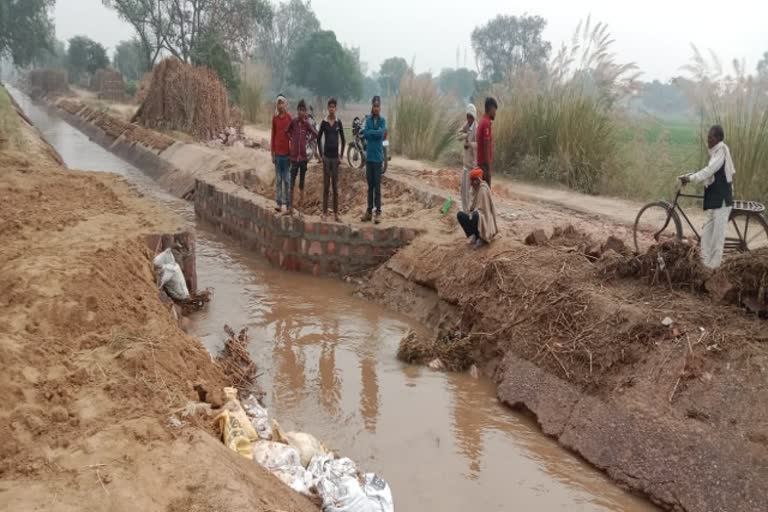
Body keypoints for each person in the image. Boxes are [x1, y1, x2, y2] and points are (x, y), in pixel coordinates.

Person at [680, 125, 736, 269]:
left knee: (717, 238)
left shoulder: (721, 151)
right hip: (714, 200)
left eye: (710, 137)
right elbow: (709, 171)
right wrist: (692, 175)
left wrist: (691, 178)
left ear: (717, 139)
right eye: (708, 137)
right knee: (707, 235)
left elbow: (710, 170)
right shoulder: (715, 152)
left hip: (722, 201)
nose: (708, 140)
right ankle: (704, 265)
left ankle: (713, 269)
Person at [285, 99, 318, 215]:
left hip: (303, 158)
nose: (301, 112)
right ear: (297, 110)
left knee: (302, 184)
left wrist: (308, 140)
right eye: (300, 110)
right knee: (292, 183)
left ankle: (301, 209)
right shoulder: (293, 122)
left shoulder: (307, 124)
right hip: (294, 158)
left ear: (306, 112)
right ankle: (290, 208)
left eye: (303, 110)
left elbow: (316, 134)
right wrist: (291, 139)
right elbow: (287, 132)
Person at [317, 98, 346, 222]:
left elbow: (343, 140)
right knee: (326, 187)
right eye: (330, 107)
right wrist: (321, 154)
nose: (331, 109)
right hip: (326, 158)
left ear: (336, 108)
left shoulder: (339, 123)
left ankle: (335, 214)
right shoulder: (323, 122)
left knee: (335, 186)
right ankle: (324, 213)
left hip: (335, 159)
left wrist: (341, 155)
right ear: (327, 108)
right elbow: (318, 139)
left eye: (333, 107)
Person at [360, 96, 387, 224]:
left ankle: (378, 212)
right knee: (370, 186)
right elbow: (365, 133)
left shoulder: (382, 120)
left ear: (380, 107)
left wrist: (372, 132)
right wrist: (373, 132)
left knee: (377, 187)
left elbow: (381, 134)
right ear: (372, 106)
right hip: (369, 158)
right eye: (374, 106)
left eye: (378, 106)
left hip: (378, 158)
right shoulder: (369, 120)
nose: (376, 108)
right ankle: (369, 211)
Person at [457, 168, 498, 248]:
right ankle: (474, 235)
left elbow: (484, 211)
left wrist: (474, 213)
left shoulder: (483, 190)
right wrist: (471, 213)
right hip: (477, 214)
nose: (472, 183)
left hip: (485, 219)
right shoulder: (474, 189)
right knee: (460, 215)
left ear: (479, 180)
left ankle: (480, 238)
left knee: (476, 215)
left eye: (474, 180)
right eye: (471, 180)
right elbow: (471, 206)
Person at [271, 94, 292, 213]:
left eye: (282, 103)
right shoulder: (275, 118)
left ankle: (288, 204)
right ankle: (279, 203)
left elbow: (292, 137)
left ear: (286, 104)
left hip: (287, 154)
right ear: (277, 105)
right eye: (278, 103)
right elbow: (273, 135)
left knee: (287, 180)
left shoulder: (289, 118)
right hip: (277, 154)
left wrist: (292, 153)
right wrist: (272, 154)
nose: (280, 105)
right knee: (278, 180)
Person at [457, 103, 478, 212]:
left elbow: (479, 145)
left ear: (474, 116)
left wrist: (470, 144)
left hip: (473, 166)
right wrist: (464, 135)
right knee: (463, 191)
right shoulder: (467, 125)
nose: (469, 119)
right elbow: (458, 135)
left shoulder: (477, 128)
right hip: (465, 164)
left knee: (471, 192)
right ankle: (465, 211)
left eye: (471, 116)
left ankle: (471, 213)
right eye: (468, 116)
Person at [476, 97, 497, 187]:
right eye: (495, 110)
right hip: (484, 165)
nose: (495, 113)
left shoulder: (483, 121)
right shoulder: (486, 123)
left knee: (482, 193)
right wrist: (488, 169)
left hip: (481, 163)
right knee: (486, 192)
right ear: (491, 108)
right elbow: (486, 146)